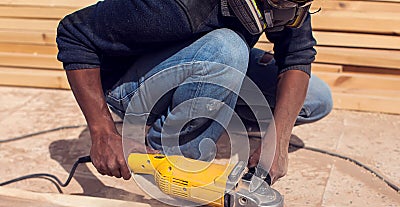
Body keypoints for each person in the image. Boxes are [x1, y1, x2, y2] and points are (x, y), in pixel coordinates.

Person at [56, 0, 332, 185]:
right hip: (129, 83)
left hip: (206, 57)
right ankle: (174, 161)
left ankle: (212, 99)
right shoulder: (171, 7)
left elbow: (297, 56)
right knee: (228, 48)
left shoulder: (287, 2)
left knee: (315, 99)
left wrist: (278, 139)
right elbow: (73, 33)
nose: (289, 11)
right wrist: (102, 131)